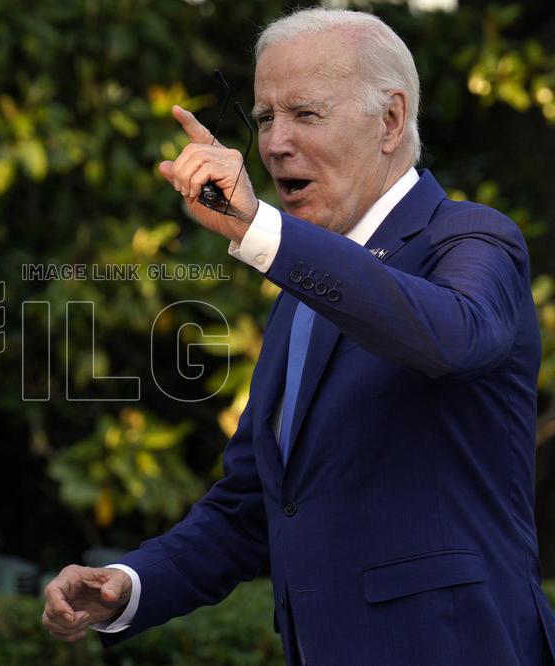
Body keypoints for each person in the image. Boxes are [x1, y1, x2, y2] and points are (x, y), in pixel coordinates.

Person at [41, 7, 555, 665]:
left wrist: (259, 232)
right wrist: (130, 585)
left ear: (391, 121)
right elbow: (253, 505)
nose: (275, 143)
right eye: (263, 119)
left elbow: (446, 336)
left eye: (305, 115)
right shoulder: (299, 293)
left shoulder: (474, 238)